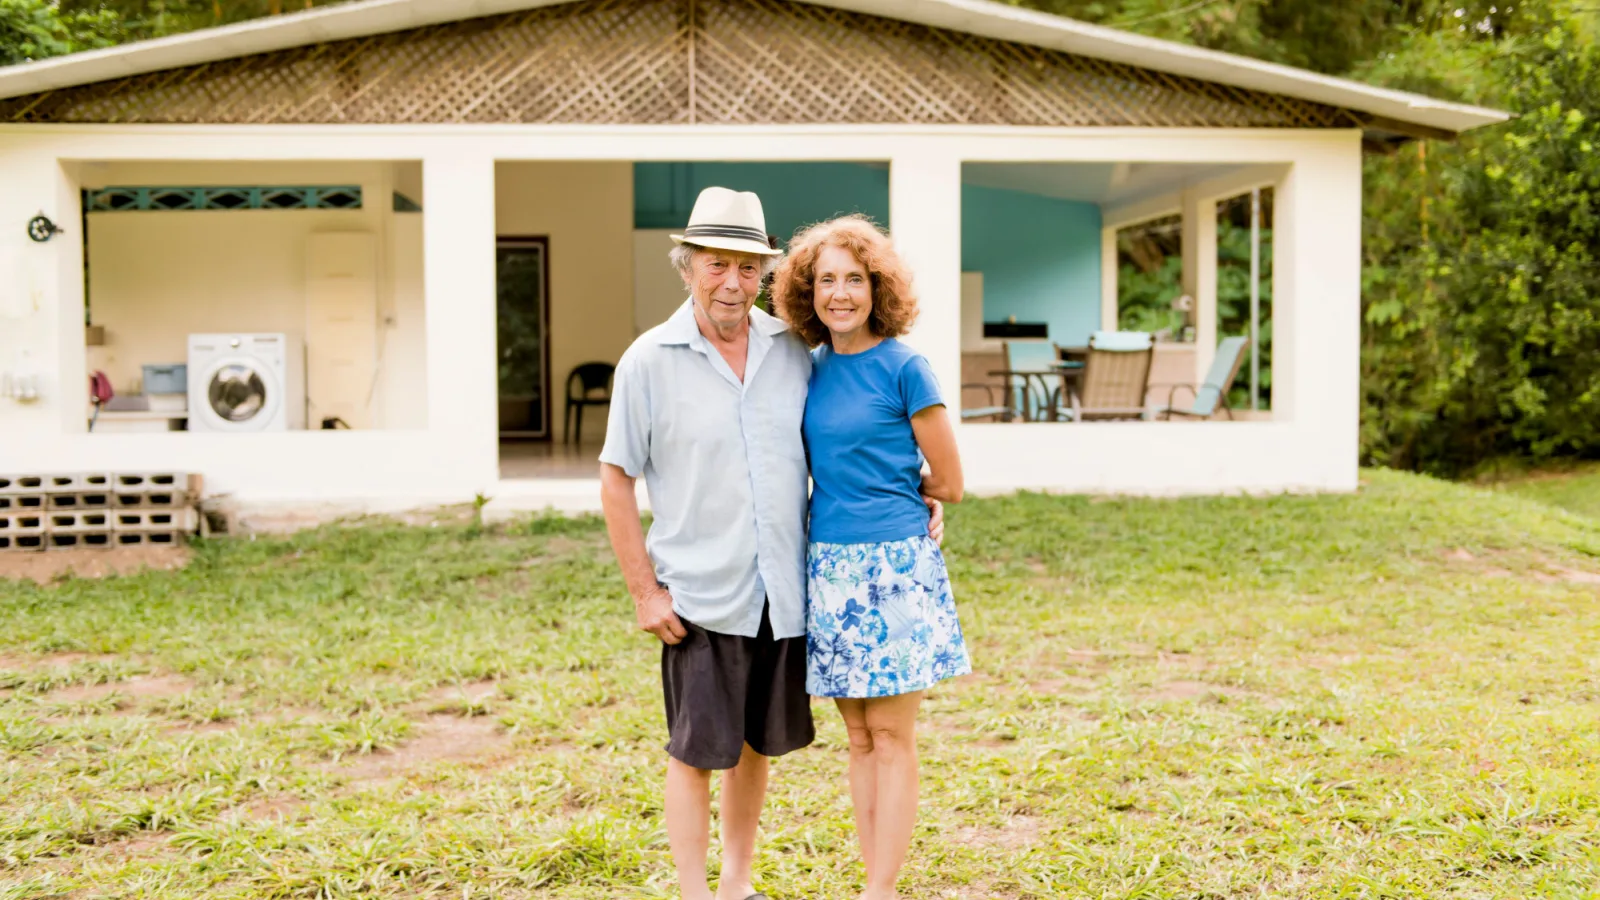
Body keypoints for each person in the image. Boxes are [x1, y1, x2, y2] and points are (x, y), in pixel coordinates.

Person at [598, 188, 942, 900]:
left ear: (766, 274)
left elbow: (852, 447)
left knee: (754, 746)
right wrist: (643, 591)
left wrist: (919, 505)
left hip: (785, 592)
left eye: (748, 267)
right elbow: (615, 479)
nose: (732, 282)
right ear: (686, 267)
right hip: (699, 593)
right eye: (716, 265)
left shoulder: (794, 351)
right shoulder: (648, 360)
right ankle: (695, 892)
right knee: (696, 751)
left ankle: (736, 881)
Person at [770, 215, 972, 900]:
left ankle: (880, 892)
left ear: (877, 287)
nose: (840, 294)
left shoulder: (905, 366)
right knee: (856, 739)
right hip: (828, 567)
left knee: (890, 735)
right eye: (826, 280)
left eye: (854, 279)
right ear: (808, 292)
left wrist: (914, 502)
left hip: (891, 571)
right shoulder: (811, 367)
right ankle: (873, 881)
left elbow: (949, 480)